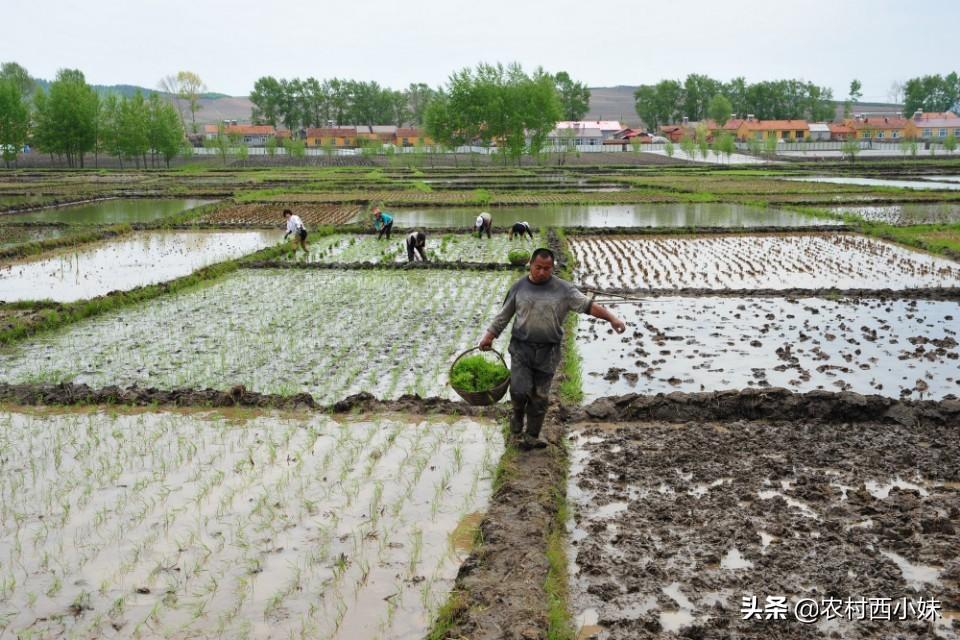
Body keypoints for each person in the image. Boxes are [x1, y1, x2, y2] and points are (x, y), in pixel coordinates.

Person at [479, 248, 625, 450]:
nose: (542, 272)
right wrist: (489, 336)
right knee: (519, 390)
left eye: (547, 269)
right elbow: (504, 316)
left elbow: (588, 305)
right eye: (538, 267)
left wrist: (612, 318)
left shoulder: (564, 289)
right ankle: (517, 417)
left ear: (552, 268)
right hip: (522, 347)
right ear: (530, 264)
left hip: (549, 351)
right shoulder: (519, 287)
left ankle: (531, 436)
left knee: (540, 397)